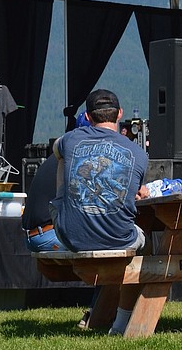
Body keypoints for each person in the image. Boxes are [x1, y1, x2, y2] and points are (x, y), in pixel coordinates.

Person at [52, 89, 150, 336]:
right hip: (120, 238)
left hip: (69, 234)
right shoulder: (139, 153)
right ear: (120, 114)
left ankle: (65, 208)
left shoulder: (70, 140)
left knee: (63, 158)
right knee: (145, 245)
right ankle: (120, 324)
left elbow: (56, 149)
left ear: (87, 115)